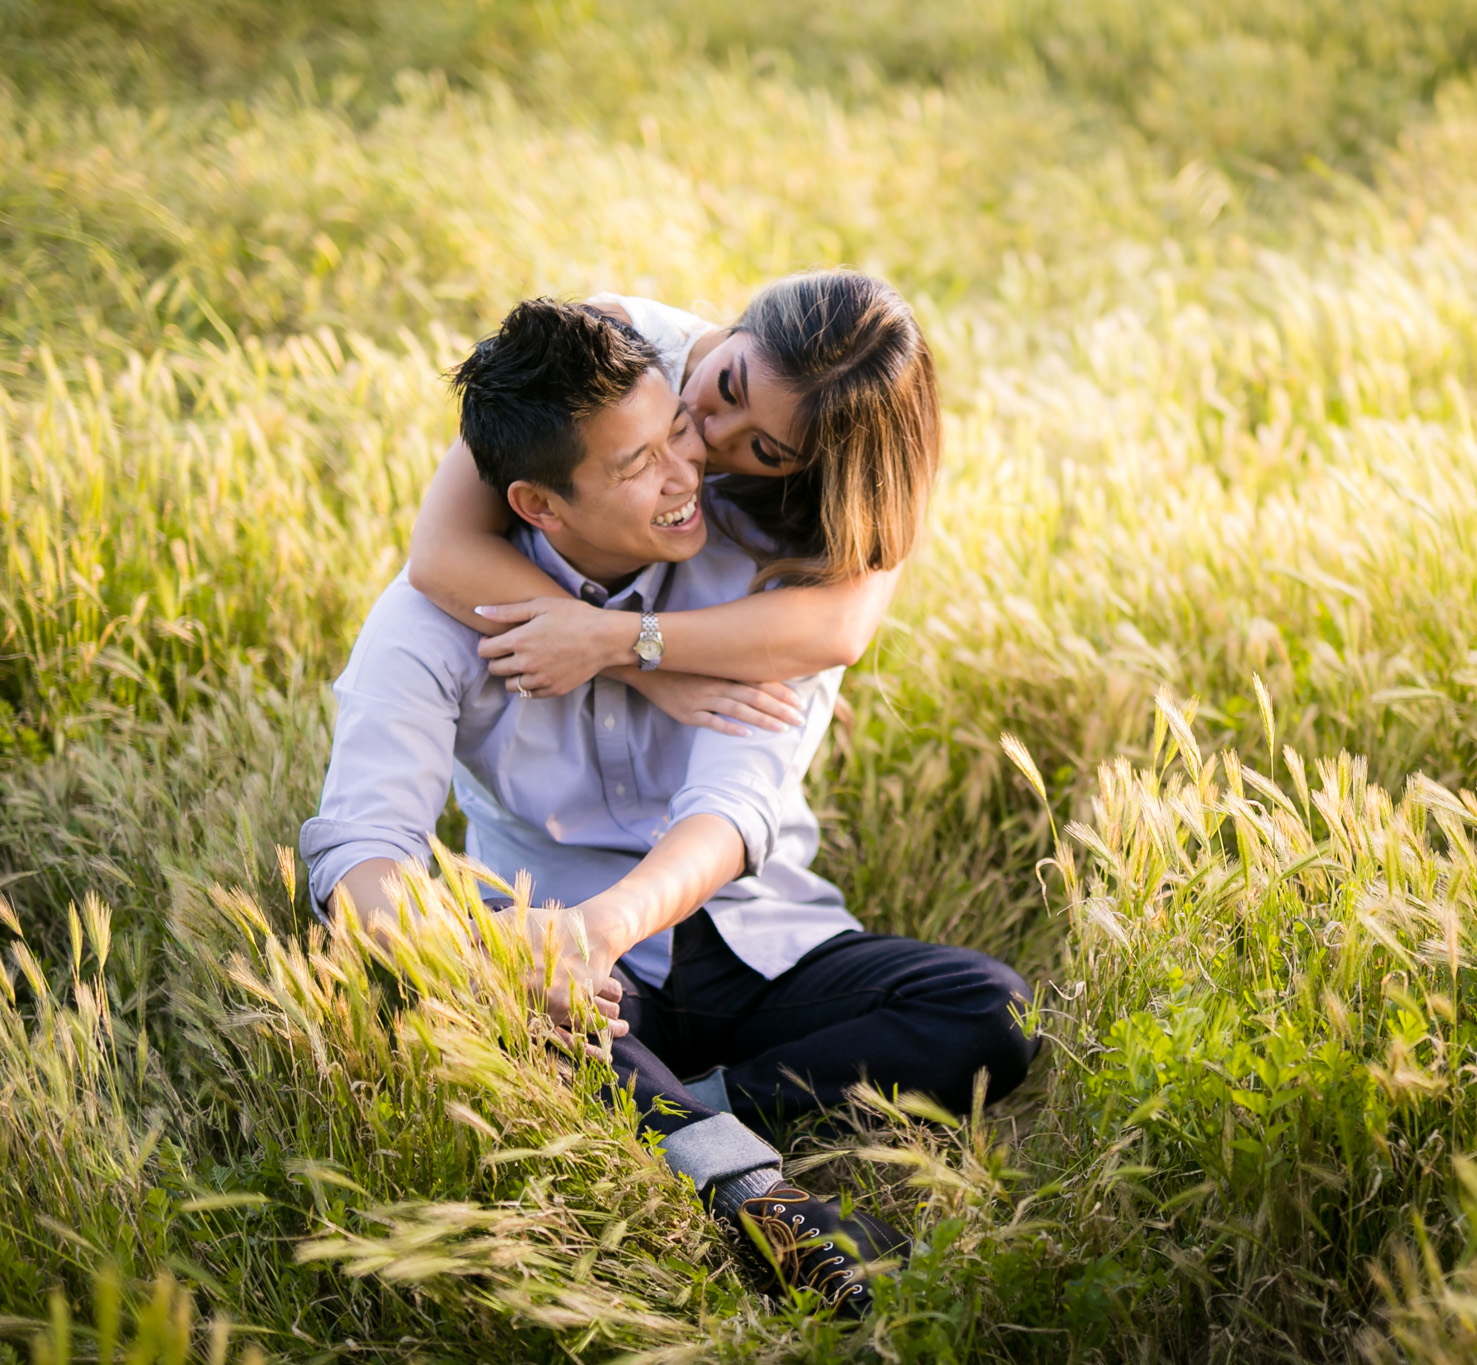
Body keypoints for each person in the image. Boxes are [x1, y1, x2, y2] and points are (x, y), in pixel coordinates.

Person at [300, 296, 1036, 1317]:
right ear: (540, 503)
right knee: (480, 992)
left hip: (746, 937)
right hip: (565, 960)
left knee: (992, 1011)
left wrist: (607, 917)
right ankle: (759, 1193)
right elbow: (363, 841)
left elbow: (735, 807)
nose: (695, 467)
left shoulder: (758, 576)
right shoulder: (428, 624)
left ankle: (687, 1116)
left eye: (702, 439)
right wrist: (460, 958)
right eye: (644, 457)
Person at [403, 272, 936, 719]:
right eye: (728, 387)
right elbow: (441, 553)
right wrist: (644, 669)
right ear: (737, 327)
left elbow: (836, 629)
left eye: (765, 449)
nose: (714, 434)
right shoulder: (604, 347)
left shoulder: (849, 474)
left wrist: (618, 641)